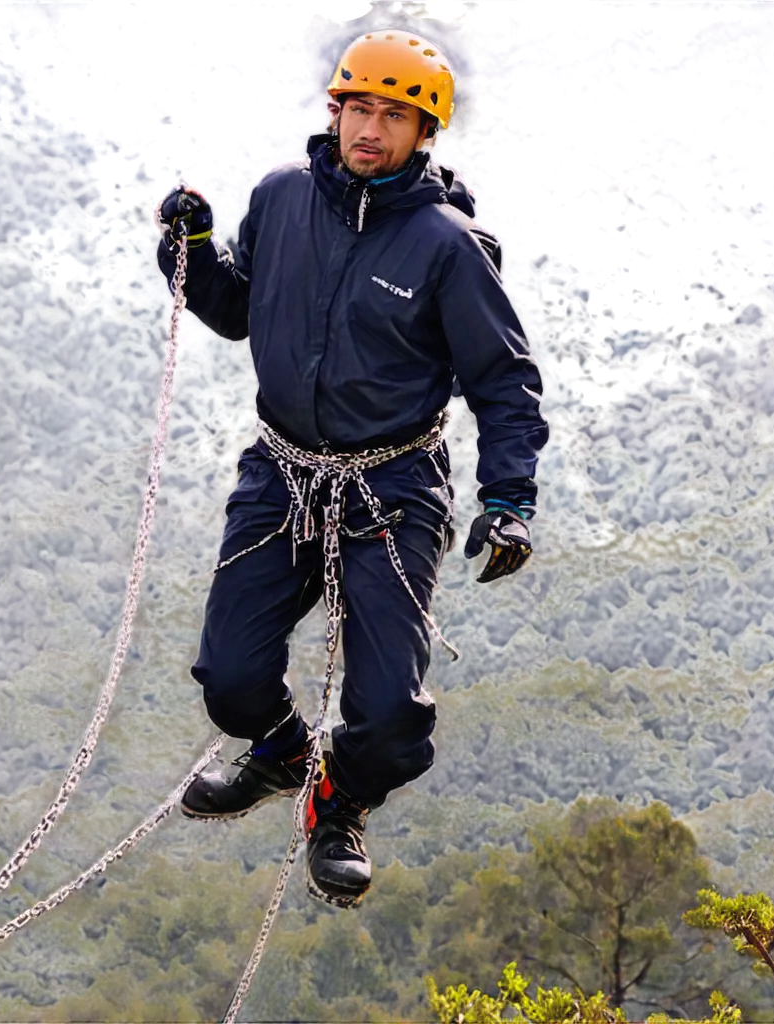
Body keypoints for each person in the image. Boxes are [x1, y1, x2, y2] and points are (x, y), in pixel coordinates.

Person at [154, 28, 548, 909]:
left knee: (390, 716)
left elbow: (504, 380)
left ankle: (340, 802)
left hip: (393, 491)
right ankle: (287, 752)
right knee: (231, 679)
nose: (370, 130)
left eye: (394, 116)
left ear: (425, 133)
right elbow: (238, 312)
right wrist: (191, 252)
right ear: (335, 111)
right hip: (281, 476)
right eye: (357, 108)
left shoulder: (448, 245)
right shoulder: (281, 199)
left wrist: (509, 498)